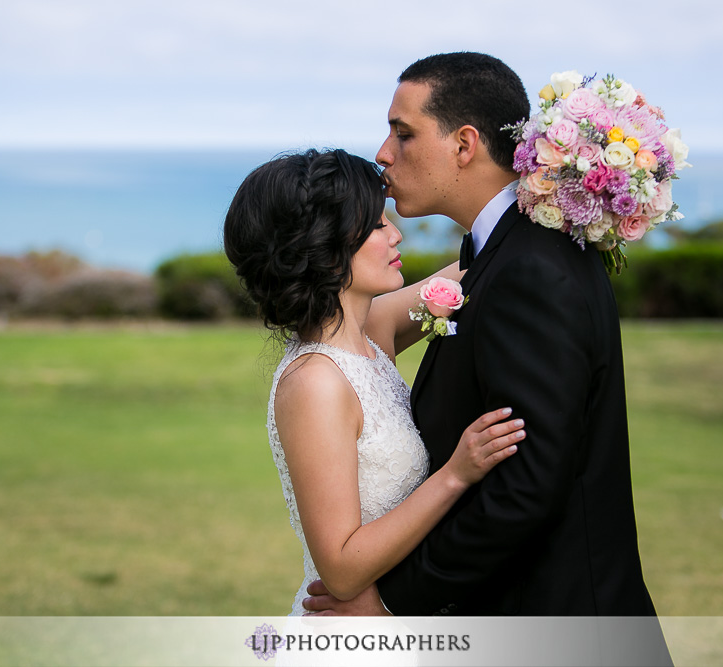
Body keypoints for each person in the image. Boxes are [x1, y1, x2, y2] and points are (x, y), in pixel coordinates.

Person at [302, 51, 670, 646]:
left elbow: (526, 484)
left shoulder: (528, 270)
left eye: (404, 133)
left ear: (464, 144)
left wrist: (394, 601)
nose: (383, 154)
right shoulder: (503, 256)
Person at [223, 148, 525, 615]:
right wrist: (454, 476)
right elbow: (341, 567)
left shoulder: (373, 330)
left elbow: (480, 269)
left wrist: (557, 193)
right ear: (325, 245)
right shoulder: (315, 383)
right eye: (378, 225)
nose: (396, 234)